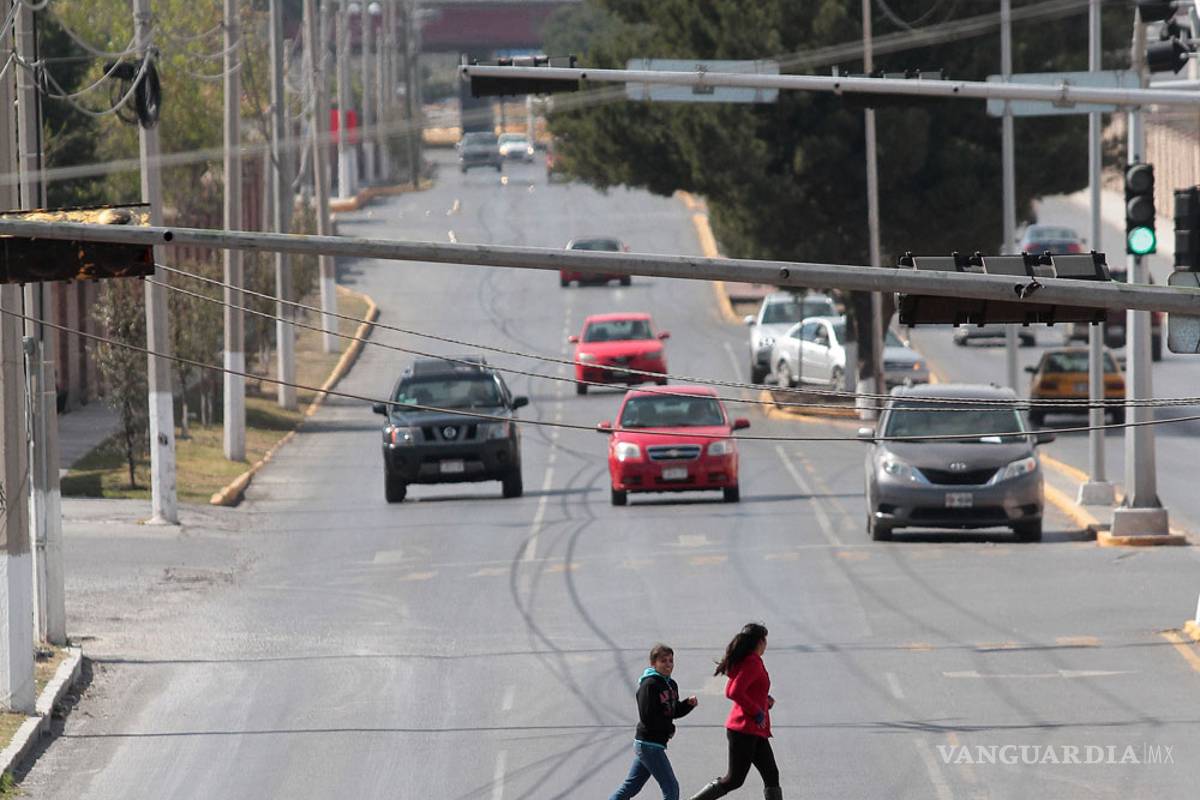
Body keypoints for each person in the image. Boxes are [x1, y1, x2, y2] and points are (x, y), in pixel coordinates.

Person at [687, 623, 781, 800]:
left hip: (754, 730)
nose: (766, 644)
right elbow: (733, 691)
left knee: (771, 774)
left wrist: (764, 700)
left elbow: (744, 689)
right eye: (765, 640)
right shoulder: (752, 661)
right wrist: (756, 711)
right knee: (734, 780)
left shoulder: (747, 660)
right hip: (744, 730)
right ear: (760, 642)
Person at [608, 643, 699, 800]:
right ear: (653, 663)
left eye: (671, 661)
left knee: (631, 787)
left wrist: (687, 705)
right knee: (671, 787)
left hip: (653, 744)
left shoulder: (671, 684)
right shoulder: (649, 685)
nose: (668, 665)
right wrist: (668, 728)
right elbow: (647, 717)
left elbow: (673, 711)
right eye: (663, 661)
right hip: (649, 744)